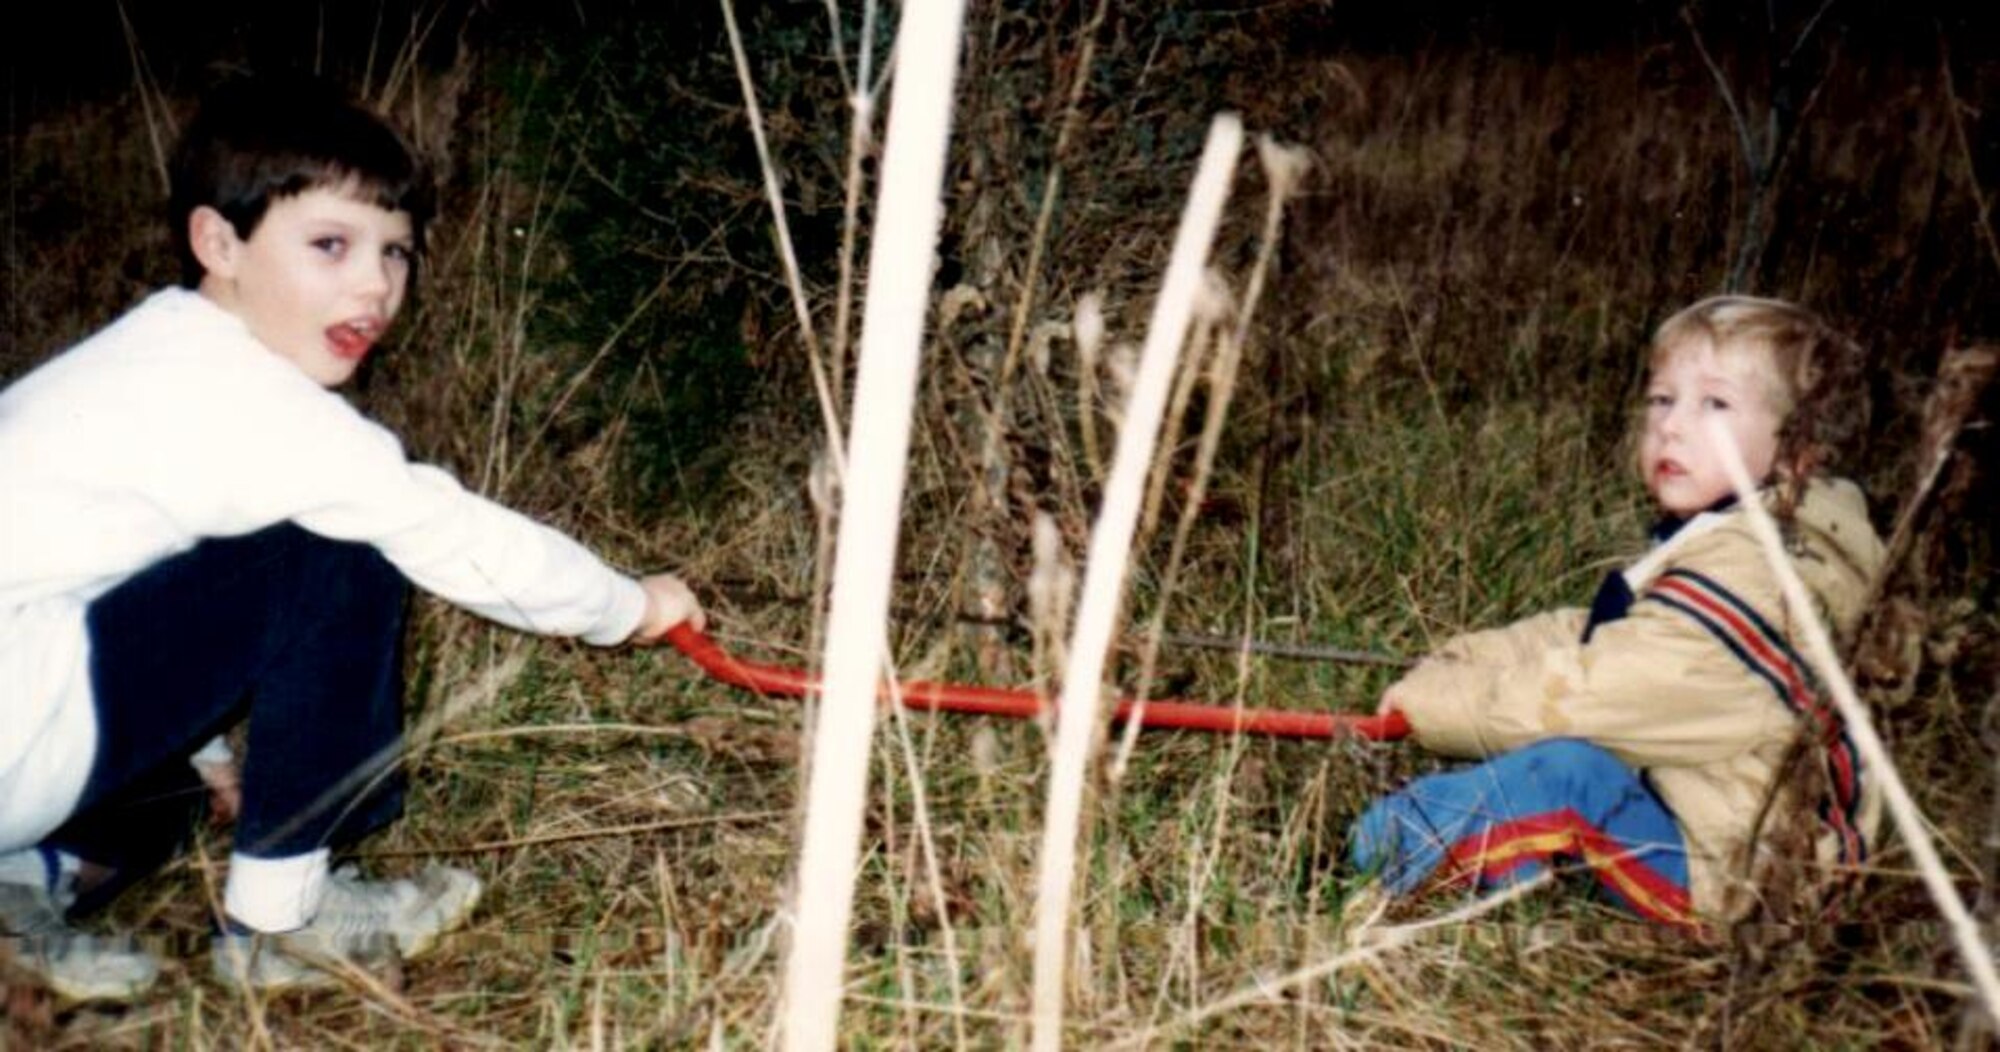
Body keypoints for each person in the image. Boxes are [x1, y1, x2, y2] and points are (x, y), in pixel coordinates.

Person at [0, 73, 704, 999]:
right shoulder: (250, 401)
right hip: (21, 734)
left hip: (29, 711)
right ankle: (282, 922)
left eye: (397, 253)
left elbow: (131, 581)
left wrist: (207, 752)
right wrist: (629, 605)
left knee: (179, 784)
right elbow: (444, 530)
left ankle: (22, 890)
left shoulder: (157, 356)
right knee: (341, 551)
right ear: (218, 242)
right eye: (331, 245)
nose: (375, 284)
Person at [1347, 295, 1886, 928]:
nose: (1673, 426)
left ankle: (1370, 857)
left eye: (1715, 404)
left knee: (1565, 778)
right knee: (1564, 771)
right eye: (1662, 399)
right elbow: (1604, 630)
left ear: (1799, 451)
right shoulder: (1751, 537)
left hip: (1743, 884)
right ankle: (1508, 887)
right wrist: (1469, 659)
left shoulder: (1755, 578)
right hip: (1718, 828)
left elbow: (1583, 697)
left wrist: (1432, 708)